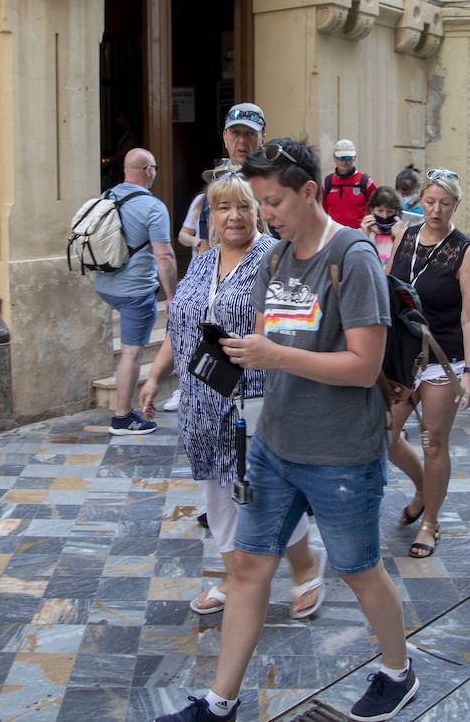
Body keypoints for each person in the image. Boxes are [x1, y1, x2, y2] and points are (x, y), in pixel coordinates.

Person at [158, 139, 415, 722]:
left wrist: (273, 356)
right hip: (273, 444)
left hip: (341, 451)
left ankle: (398, 670)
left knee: (357, 568)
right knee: (248, 569)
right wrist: (217, 360)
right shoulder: (273, 261)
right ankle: (219, 703)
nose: (265, 213)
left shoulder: (352, 258)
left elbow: (363, 366)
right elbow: (261, 345)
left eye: (274, 201)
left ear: (309, 192)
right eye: (259, 201)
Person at [138, 176, 325, 618]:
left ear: (256, 210)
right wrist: (153, 377)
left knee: (265, 492)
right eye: (222, 208)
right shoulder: (202, 262)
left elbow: (293, 327)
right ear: (211, 215)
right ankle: (234, 576)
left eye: (242, 206)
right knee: (217, 495)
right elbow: (182, 326)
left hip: (255, 400)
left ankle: (305, 568)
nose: (233, 216)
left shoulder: (275, 258)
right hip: (199, 403)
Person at [384, 169, 470, 558]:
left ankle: (430, 522)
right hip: (402, 357)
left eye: (445, 203)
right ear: (419, 201)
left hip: (444, 360)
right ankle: (424, 488)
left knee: (433, 441)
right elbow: (388, 286)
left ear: (456, 204)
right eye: (430, 201)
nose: (436, 210)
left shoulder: (465, 250)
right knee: (385, 433)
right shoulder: (404, 236)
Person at [94, 148, 177, 434]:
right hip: (134, 292)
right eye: (155, 167)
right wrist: (171, 296)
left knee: (129, 349)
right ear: (148, 170)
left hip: (104, 284)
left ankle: (123, 412)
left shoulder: (106, 197)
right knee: (131, 353)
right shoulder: (153, 207)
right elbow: (164, 256)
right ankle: (122, 417)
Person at [196, 103, 267, 253]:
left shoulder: (276, 185)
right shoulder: (217, 186)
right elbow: (206, 243)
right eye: (235, 133)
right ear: (225, 137)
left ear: (262, 139)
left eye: (250, 133)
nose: (242, 141)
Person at [322, 138, 377, 228]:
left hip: (359, 234)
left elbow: (377, 208)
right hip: (334, 234)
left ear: (354, 157)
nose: (344, 161)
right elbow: (322, 211)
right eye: (340, 157)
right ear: (334, 158)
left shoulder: (366, 182)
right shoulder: (327, 183)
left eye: (348, 157)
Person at [361, 186, 409, 264]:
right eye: (380, 211)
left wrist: (399, 238)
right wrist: (365, 237)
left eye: (390, 211)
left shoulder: (404, 235)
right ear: (372, 210)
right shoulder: (362, 233)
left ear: (397, 213)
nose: (384, 216)